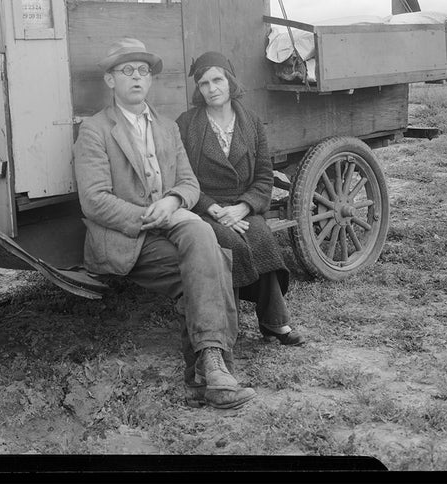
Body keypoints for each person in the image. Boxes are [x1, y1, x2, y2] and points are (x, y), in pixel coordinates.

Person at [73, 38, 256, 409]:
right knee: (214, 263)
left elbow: (189, 184)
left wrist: (172, 200)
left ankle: (210, 369)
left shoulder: (167, 127)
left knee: (202, 232)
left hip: (170, 220)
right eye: (127, 71)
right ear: (110, 81)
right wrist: (146, 215)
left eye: (143, 71)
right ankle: (213, 370)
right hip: (127, 237)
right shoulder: (95, 130)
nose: (137, 78)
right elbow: (94, 201)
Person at [176, 51, 304, 346]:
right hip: (204, 206)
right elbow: (182, 177)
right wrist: (215, 209)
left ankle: (274, 322)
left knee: (260, 236)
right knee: (229, 243)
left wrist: (244, 207)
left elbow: (263, 175)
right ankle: (223, 329)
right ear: (199, 89)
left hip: (242, 205)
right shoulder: (187, 124)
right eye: (204, 83)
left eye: (217, 80)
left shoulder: (252, 123)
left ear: (230, 81)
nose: (212, 88)